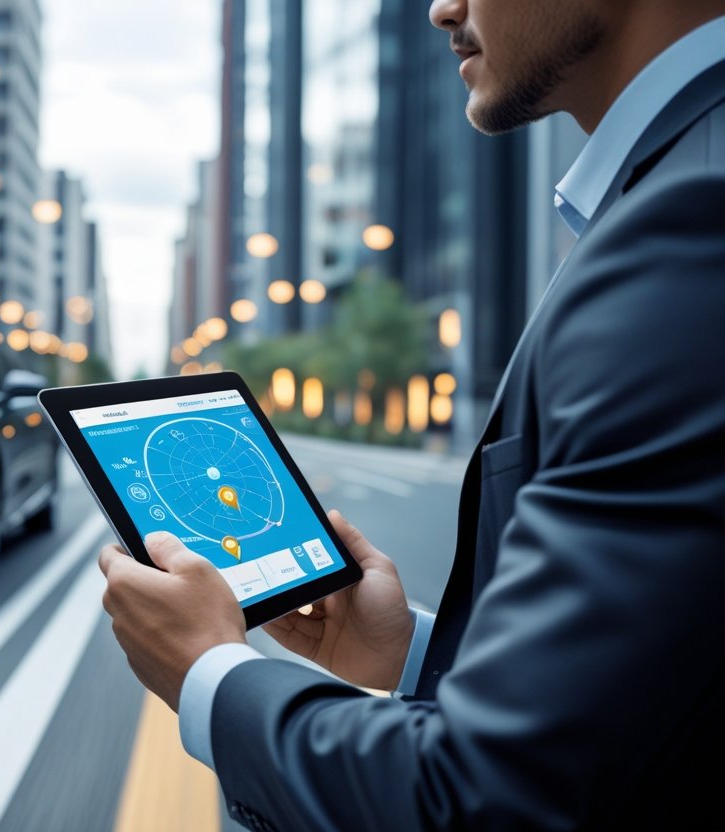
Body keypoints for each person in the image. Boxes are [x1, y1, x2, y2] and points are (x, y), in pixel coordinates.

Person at [98, 0, 725, 828]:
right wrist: (412, 653)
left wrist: (208, 672)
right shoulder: (673, 184)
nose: (443, 9)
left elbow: (487, 804)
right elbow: (660, 699)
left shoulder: (690, 223)